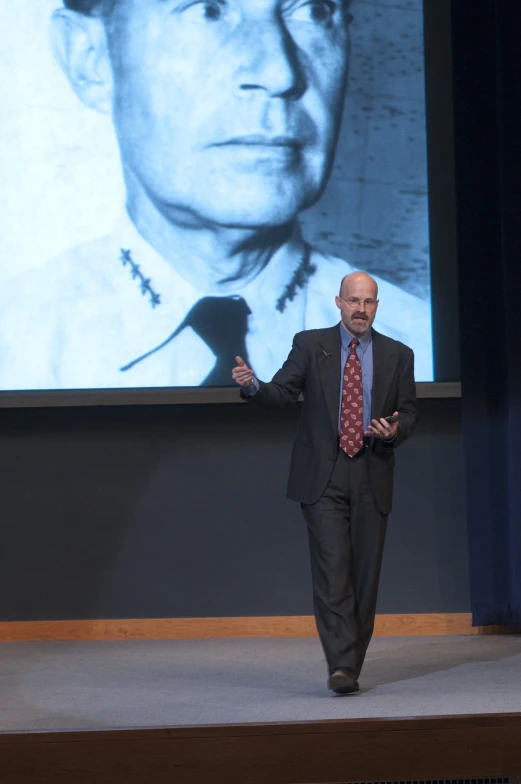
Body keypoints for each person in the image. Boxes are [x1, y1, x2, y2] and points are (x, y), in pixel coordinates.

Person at [0, 0, 432, 391]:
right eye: (208, 10)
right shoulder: (17, 348)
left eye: (314, 11)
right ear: (89, 59)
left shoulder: (418, 352)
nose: (279, 72)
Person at [233, 271, 417, 694]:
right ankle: (341, 668)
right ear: (338, 303)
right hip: (325, 473)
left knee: (364, 576)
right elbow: (280, 393)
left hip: (372, 470)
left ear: (376, 306)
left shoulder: (398, 354)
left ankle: (351, 661)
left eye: (368, 302)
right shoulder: (310, 344)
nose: (361, 309)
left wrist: (394, 429)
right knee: (333, 570)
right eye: (354, 301)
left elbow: (409, 413)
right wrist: (253, 386)